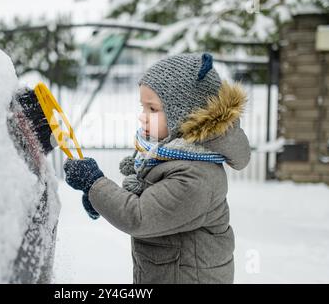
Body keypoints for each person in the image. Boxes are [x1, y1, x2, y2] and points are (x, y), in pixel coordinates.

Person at [63, 52, 251, 284]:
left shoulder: (196, 176)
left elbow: (139, 216)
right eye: (143, 107)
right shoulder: (169, 156)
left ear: (184, 114)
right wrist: (100, 200)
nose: (143, 117)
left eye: (152, 109)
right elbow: (155, 200)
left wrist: (94, 183)